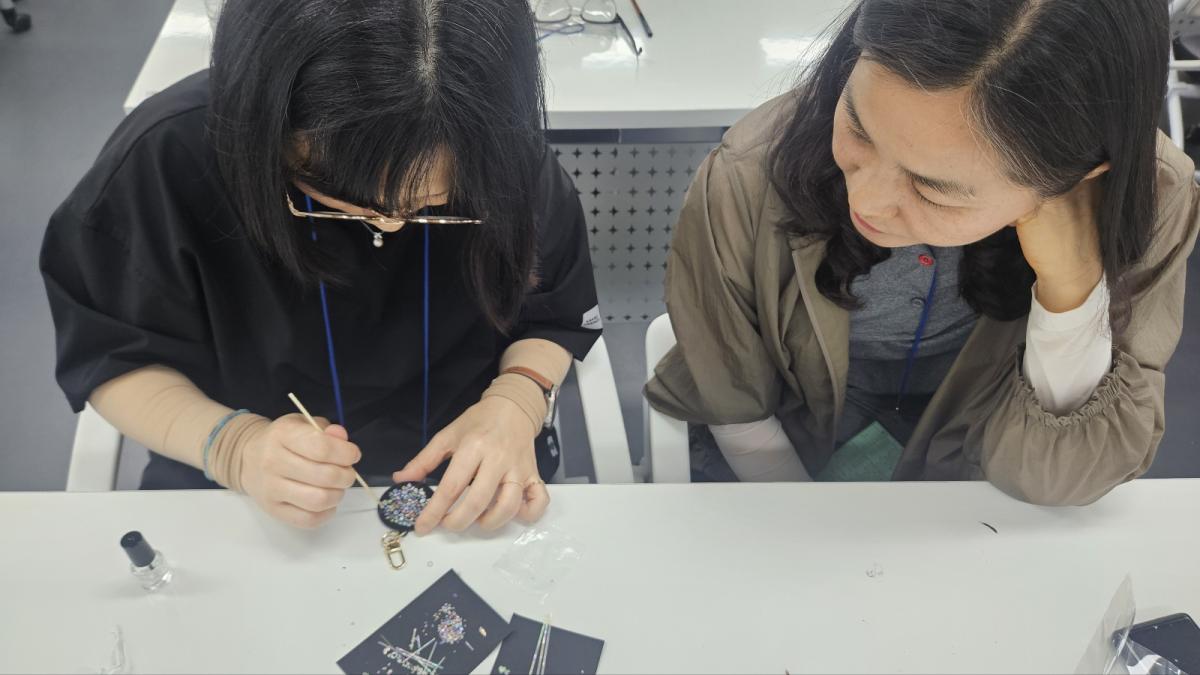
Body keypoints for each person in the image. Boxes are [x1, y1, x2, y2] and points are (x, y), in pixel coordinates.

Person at [41, 0, 601, 530]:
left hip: (471, 477)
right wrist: (234, 448)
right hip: (242, 493)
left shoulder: (500, 146)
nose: (389, 225)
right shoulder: (167, 158)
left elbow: (552, 314)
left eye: (430, 202)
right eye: (346, 199)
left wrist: (517, 400)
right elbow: (112, 354)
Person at [646, 0, 1199, 504]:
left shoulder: (1153, 199)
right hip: (806, 415)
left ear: (1078, 176)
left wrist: (1071, 288)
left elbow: (1056, 477)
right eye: (859, 127)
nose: (867, 203)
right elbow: (736, 402)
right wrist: (808, 523)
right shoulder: (750, 171)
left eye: (934, 190)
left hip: (985, 433)